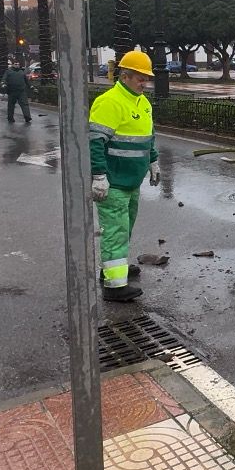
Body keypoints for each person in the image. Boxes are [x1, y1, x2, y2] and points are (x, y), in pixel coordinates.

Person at [89, 50, 160, 302]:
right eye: (140, 78)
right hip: (114, 182)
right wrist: (98, 175)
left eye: (146, 78)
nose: (144, 83)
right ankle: (114, 286)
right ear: (125, 75)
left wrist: (153, 161)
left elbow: (148, 136)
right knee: (115, 231)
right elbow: (96, 141)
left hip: (132, 182)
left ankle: (112, 268)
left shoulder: (142, 102)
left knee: (124, 228)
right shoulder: (110, 102)